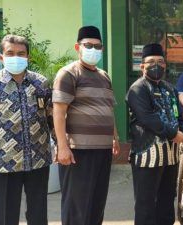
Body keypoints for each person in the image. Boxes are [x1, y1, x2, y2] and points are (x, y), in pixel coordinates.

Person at [52, 26, 120, 225]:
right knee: (77, 207)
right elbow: (59, 112)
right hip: (78, 152)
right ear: (77, 47)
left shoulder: (104, 76)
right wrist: (62, 146)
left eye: (97, 46)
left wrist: (114, 137)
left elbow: (108, 109)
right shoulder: (68, 74)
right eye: (88, 45)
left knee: (96, 204)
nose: (93, 50)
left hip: (102, 151)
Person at [126, 43, 183, 225]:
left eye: (160, 61)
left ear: (165, 66)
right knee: (146, 205)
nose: (156, 65)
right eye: (151, 61)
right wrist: (175, 134)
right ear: (142, 66)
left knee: (166, 201)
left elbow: (179, 116)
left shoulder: (170, 88)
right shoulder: (137, 89)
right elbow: (148, 118)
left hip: (170, 156)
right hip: (147, 156)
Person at [0, 34, 52, 225]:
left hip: (38, 159)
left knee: (38, 212)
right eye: (10, 53)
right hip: (3, 161)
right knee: (4, 214)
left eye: (21, 53)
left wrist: (60, 144)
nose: (15, 57)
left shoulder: (40, 83)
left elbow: (50, 116)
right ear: (1, 57)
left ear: (28, 57)